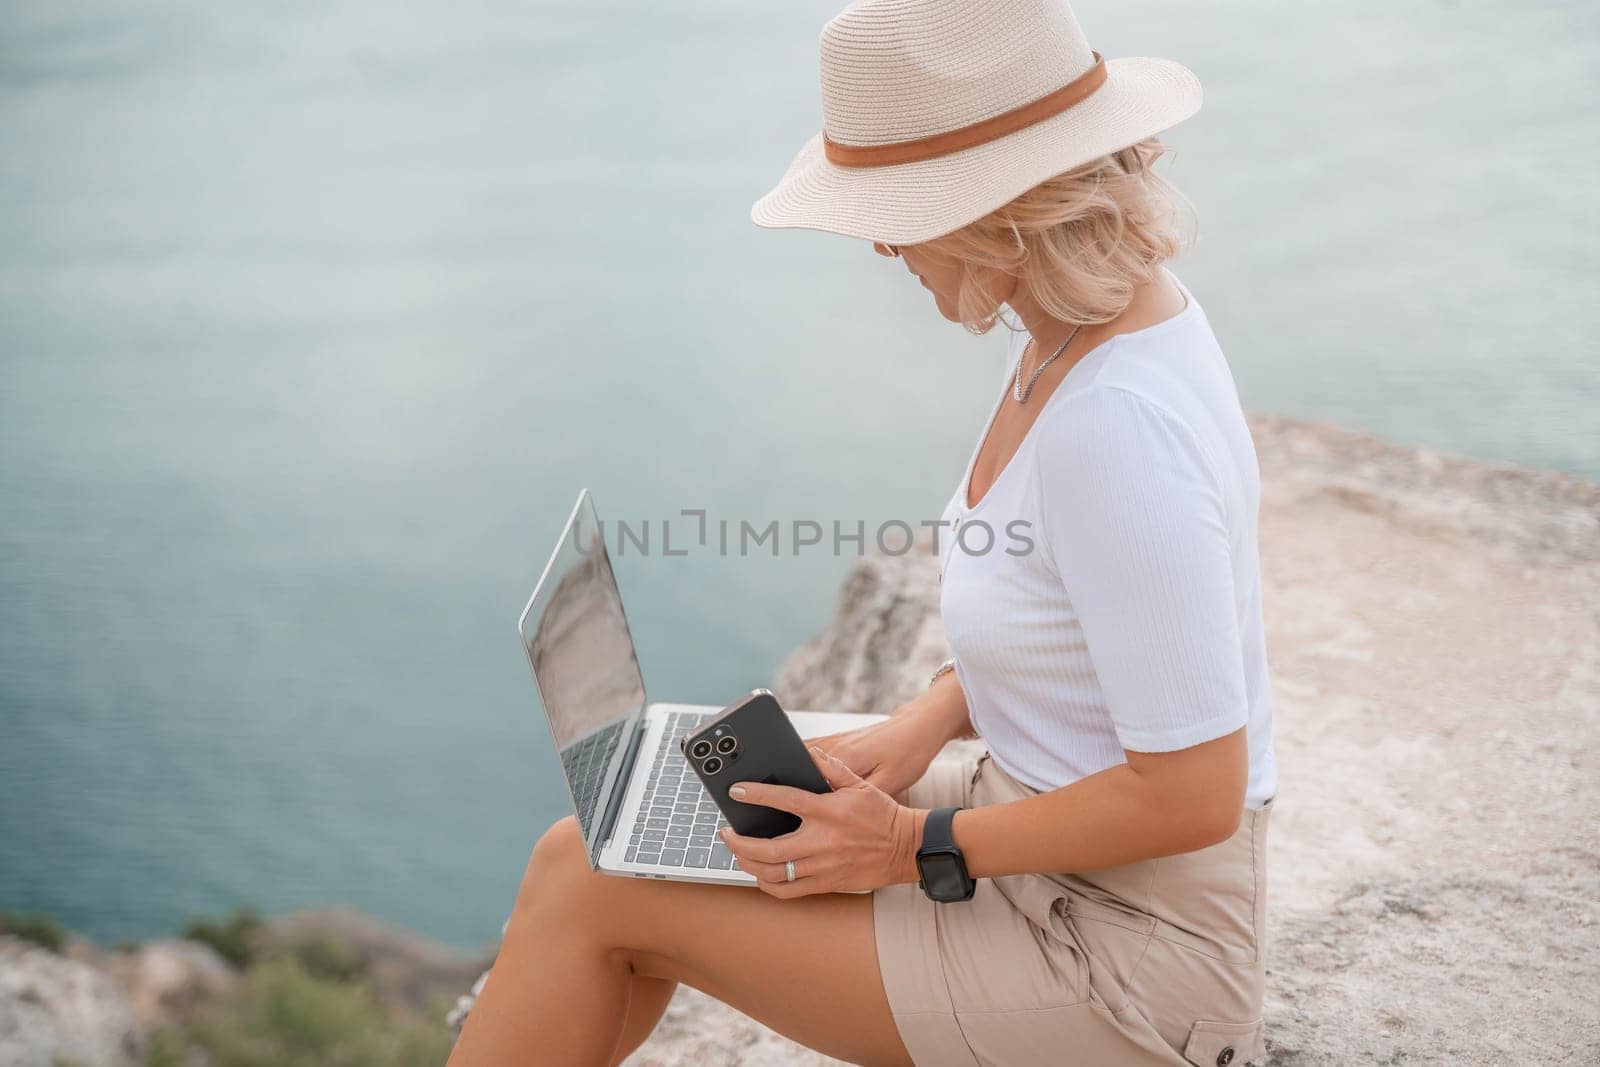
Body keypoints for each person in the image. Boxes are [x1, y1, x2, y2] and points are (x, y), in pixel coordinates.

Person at [450, 0, 1276, 1063]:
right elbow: (1091, 626)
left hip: (1126, 955)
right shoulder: (1086, 328)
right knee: (610, 841)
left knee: (593, 888)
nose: (883, 240)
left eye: (901, 207)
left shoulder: (1113, 425)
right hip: (1048, 839)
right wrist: (930, 717)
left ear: (1004, 211)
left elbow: (1195, 790)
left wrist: (908, 845)